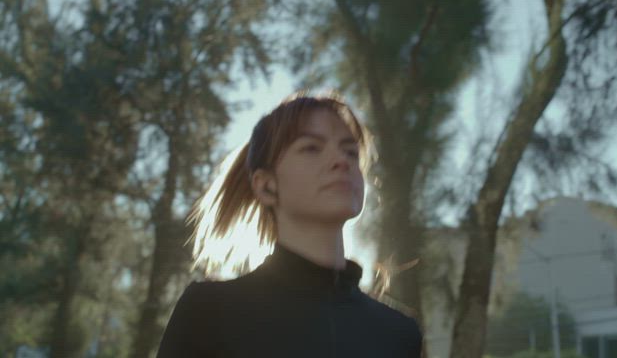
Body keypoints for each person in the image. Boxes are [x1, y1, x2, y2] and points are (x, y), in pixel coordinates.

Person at [156, 92, 423, 357]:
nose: (342, 161)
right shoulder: (209, 312)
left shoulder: (399, 334)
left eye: (351, 152)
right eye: (311, 148)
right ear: (266, 185)